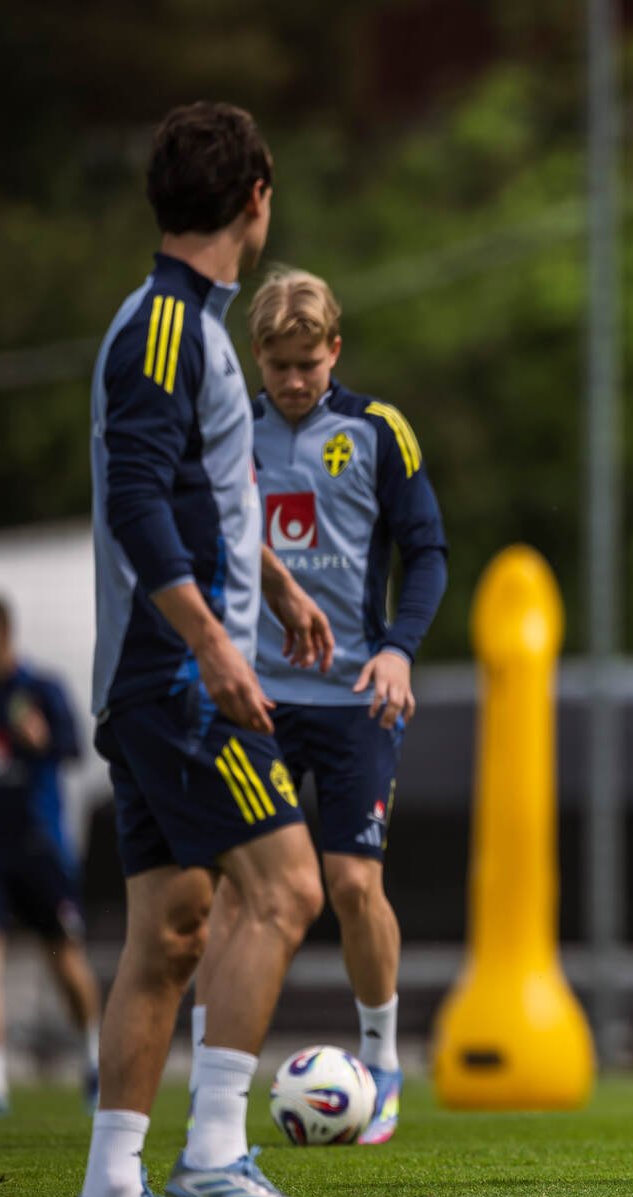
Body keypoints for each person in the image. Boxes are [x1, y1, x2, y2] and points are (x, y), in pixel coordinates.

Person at [75, 102, 335, 1197]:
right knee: (286, 889)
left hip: (154, 677)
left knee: (174, 927)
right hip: (175, 681)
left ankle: (113, 1190)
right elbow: (139, 506)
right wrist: (217, 643)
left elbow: (197, 496)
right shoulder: (166, 331)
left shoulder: (185, 328)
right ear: (257, 198)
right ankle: (220, 1150)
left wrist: (273, 586)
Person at [189, 267, 448, 1146]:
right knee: (234, 887)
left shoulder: (379, 432)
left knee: (351, 883)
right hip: (254, 695)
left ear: (334, 349)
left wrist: (397, 649)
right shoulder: (230, 434)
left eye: (308, 362)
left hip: (353, 701)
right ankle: (209, 1070)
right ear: (254, 356)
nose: (294, 380)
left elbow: (429, 551)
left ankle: (381, 1060)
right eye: (278, 363)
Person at [0, 598, 103, 1114]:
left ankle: (94, 1058)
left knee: (65, 961)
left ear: (4, 632)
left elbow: (74, 748)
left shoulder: (39, 689)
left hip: (39, 847)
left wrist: (40, 738)